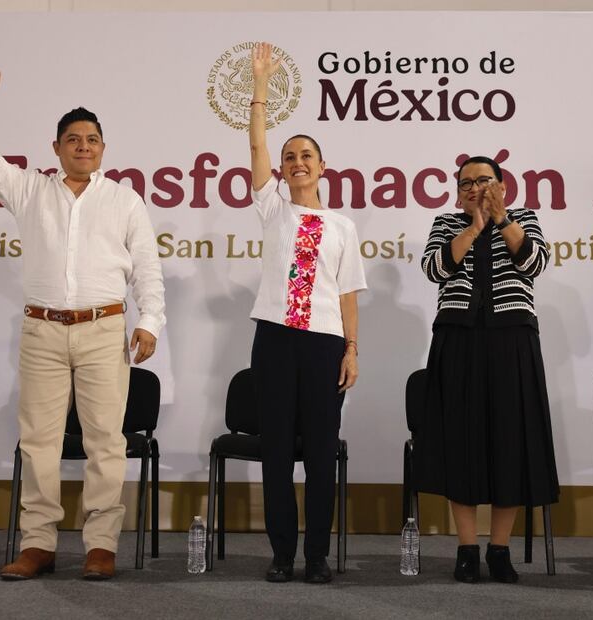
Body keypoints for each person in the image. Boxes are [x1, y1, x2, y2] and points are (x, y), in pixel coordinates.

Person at [0, 66, 165, 581]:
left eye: (92, 139)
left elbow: (147, 268)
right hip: (43, 331)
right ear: (56, 148)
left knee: (104, 442)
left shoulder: (124, 199)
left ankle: (100, 545)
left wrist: (151, 321)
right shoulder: (30, 190)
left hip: (103, 330)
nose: (83, 146)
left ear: (103, 147)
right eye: (73, 139)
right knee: (39, 441)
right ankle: (38, 544)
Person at [248, 42, 366, 584]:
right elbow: (257, 143)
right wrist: (260, 91)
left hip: (323, 345)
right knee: (276, 451)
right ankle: (281, 554)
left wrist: (351, 350)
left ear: (322, 168)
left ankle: (316, 554)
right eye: (290, 156)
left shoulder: (342, 226)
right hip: (274, 338)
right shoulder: (273, 207)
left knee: (321, 453)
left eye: (306, 157)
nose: (296, 163)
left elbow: (347, 294)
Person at [414, 155, 559, 583]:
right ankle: (465, 548)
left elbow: (534, 263)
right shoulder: (445, 224)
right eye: (467, 183)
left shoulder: (525, 219)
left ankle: (499, 549)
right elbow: (434, 268)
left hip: (511, 340)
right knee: (460, 442)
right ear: (458, 193)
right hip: (457, 340)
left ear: (502, 186)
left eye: (484, 180)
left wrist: (500, 219)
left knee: (509, 443)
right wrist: (474, 226)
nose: (476, 187)